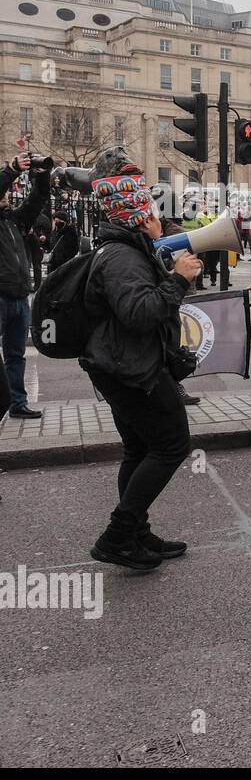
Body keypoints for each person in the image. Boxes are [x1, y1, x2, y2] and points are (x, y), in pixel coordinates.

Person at [79, 147, 202, 570]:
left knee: (137, 448)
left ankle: (136, 533)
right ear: (132, 209)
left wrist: (156, 247)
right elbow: (140, 313)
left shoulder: (124, 247)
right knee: (171, 446)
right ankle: (117, 535)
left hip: (121, 367)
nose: (150, 207)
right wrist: (179, 281)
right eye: (144, 201)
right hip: (133, 371)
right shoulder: (121, 257)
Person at [0, 151, 51, 420]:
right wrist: (12, 169)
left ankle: (17, 403)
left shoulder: (13, 220)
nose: (7, 195)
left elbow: (37, 201)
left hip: (19, 297)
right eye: (4, 192)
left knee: (16, 355)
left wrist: (41, 179)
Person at [46, 210, 80, 274]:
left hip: (65, 263)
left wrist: (66, 257)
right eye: (55, 221)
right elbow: (51, 245)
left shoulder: (70, 232)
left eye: (58, 221)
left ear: (64, 221)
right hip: (54, 264)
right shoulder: (55, 232)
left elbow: (75, 248)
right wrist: (44, 242)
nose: (56, 223)